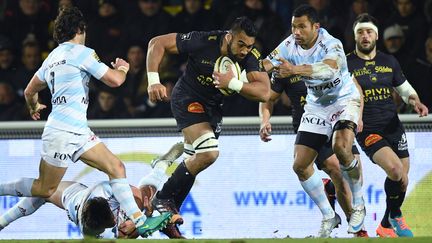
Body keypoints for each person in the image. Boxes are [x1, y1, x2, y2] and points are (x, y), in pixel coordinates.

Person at [0, 6, 170, 237]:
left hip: (76, 130)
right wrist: (122, 68)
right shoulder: (82, 52)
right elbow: (114, 81)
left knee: (116, 167)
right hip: (63, 131)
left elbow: (30, 90)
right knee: (44, 188)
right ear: (80, 29)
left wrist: (34, 106)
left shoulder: (52, 57)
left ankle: (140, 221)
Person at [145, 16, 270, 229]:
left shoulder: (249, 56)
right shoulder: (204, 40)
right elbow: (157, 42)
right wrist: (153, 81)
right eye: (240, 44)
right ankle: (162, 198)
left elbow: (264, 92)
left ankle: (168, 216)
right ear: (229, 37)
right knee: (209, 153)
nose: (244, 50)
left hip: (212, 109)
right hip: (187, 98)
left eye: (249, 46)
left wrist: (233, 83)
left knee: (196, 159)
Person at [261, 4, 366, 237]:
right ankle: (330, 216)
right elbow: (265, 65)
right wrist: (239, 72)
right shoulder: (289, 44)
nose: (296, 32)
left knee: (341, 148)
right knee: (300, 165)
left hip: (344, 100)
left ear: (315, 27)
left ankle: (359, 205)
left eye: (301, 27)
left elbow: (328, 70)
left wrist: (295, 71)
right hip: (317, 106)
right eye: (293, 27)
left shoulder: (332, 44)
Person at [347, 13, 429, 237]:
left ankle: (384, 224)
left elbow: (404, 89)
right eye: (360, 32)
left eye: (369, 31)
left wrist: (416, 101)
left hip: (394, 126)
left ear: (376, 35)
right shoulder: (347, 64)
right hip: (368, 129)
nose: (365, 36)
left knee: (402, 180)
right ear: (355, 36)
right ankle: (396, 216)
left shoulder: (389, 61)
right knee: (395, 170)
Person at [0, 142, 185, 239]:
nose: (117, 222)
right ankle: (161, 166)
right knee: (130, 235)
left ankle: (2, 221)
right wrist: (148, 222)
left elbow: (127, 192)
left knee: (44, 191)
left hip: (75, 194)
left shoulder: (103, 190)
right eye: (114, 222)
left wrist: (141, 213)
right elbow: (137, 231)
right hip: (78, 203)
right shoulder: (97, 234)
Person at [258, 76, 368, 237]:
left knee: (352, 171)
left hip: (338, 118)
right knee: (336, 170)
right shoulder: (286, 62)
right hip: (311, 124)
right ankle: (356, 227)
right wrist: (264, 120)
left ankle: (336, 196)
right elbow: (267, 97)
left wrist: (357, 115)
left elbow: (355, 87)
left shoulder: (329, 55)